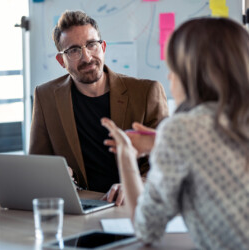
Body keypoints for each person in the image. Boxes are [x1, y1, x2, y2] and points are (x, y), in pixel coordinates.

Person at [102, 17, 249, 249]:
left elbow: (146, 229)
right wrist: (162, 143)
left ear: (193, 75)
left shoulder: (181, 129)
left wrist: (126, 157)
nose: (169, 78)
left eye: (173, 70)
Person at [29, 10, 168, 205]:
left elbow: (166, 160)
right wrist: (58, 175)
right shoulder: (46, 96)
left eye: (91, 45)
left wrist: (137, 184)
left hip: (133, 205)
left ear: (102, 47)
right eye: (74, 51)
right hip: (80, 207)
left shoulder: (146, 92)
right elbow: (37, 164)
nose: (86, 57)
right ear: (62, 61)